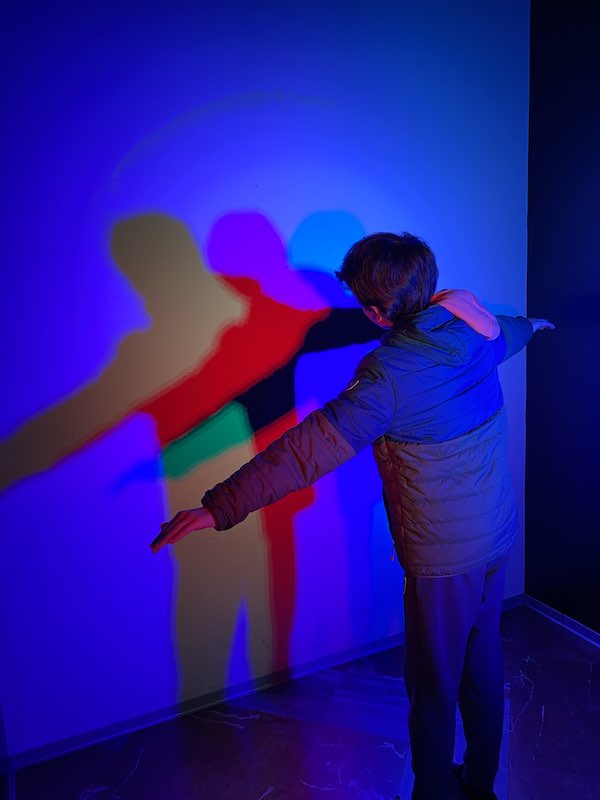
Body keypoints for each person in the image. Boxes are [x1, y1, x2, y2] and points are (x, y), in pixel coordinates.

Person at [150, 232, 554, 800]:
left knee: (433, 686)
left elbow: (305, 451)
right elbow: (514, 333)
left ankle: (433, 795)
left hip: (443, 561)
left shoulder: (386, 378)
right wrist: (536, 324)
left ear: (378, 312)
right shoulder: (477, 328)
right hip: (496, 537)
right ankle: (480, 786)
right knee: (483, 664)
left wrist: (217, 506)